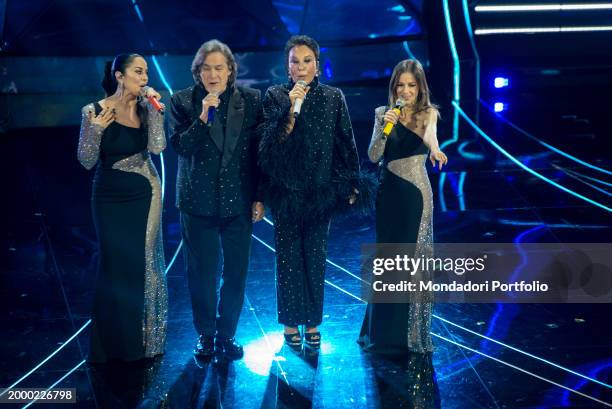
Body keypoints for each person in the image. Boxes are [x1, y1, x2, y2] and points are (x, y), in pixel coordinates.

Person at [258, 35, 361, 349]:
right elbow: (267, 146)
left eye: (307, 61)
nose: (300, 67)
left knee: (315, 258)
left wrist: (352, 181)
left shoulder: (333, 97)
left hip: (320, 192)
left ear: (317, 65)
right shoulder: (275, 95)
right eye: (294, 61)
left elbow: (345, 139)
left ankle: (313, 322)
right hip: (285, 191)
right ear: (287, 67)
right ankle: (290, 323)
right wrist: (291, 107)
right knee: (288, 259)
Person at [166, 39, 264, 360]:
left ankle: (227, 335)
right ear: (197, 72)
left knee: (235, 272)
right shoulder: (182, 101)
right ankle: (206, 336)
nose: (213, 74)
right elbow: (182, 147)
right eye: (206, 68)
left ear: (230, 70)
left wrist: (259, 196)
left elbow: (257, 154)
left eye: (219, 68)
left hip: (239, 202)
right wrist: (204, 115)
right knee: (202, 273)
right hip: (198, 203)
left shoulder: (250, 100)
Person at [78, 53, 168, 363]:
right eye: (138, 72)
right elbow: (87, 160)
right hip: (108, 198)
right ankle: (110, 346)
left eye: (146, 73)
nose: (145, 78)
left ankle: (143, 342)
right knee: (113, 264)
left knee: (142, 263)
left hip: (145, 193)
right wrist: (95, 130)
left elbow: (157, 147)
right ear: (120, 75)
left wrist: (157, 113)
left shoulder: (147, 109)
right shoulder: (94, 110)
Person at [358, 59, 447, 354]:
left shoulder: (428, 114)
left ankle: (410, 334)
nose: (406, 91)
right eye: (401, 85)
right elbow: (373, 155)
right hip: (388, 194)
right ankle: (381, 332)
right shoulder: (383, 113)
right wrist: (386, 127)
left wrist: (436, 151)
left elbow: (431, 140)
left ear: (420, 87)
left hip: (415, 195)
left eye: (411, 85)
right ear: (393, 87)